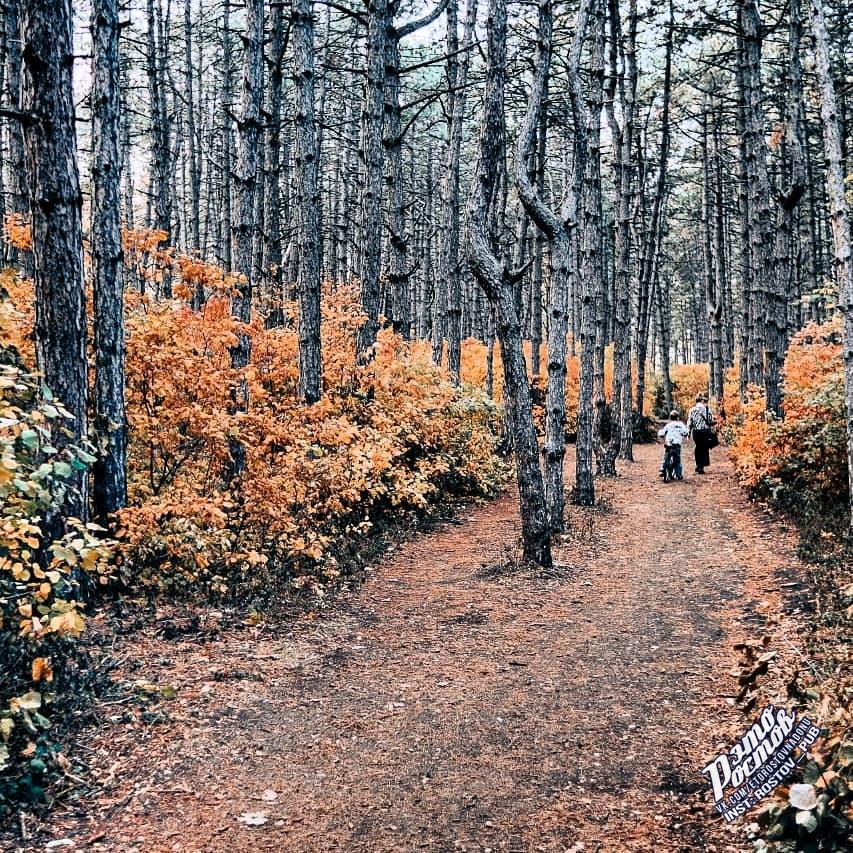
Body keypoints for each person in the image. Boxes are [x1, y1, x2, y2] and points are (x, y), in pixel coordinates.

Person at [687, 393, 715, 474]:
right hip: (705, 431)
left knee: (698, 447)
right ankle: (701, 466)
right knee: (704, 448)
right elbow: (710, 420)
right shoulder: (707, 409)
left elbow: (690, 422)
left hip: (696, 432)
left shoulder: (692, 410)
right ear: (702, 400)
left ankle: (698, 464)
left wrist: (688, 433)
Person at [658, 409, 689, 481]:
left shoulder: (668, 425)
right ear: (678, 417)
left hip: (668, 444)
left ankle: (662, 469)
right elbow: (685, 432)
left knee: (666, 456)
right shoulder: (681, 424)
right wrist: (684, 434)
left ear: (670, 417)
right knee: (677, 460)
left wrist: (661, 434)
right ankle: (678, 474)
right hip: (677, 444)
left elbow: (662, 433)